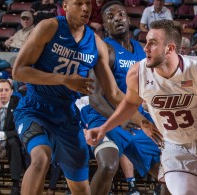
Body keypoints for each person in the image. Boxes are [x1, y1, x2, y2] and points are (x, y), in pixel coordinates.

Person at [85, 19, 197, 195]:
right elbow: (129, 104)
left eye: (153, 44)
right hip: (174, 143)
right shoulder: (137, 73)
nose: (145, 49)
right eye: (146, 42)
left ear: (170, 48)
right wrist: (104, 128)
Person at [11, 0, 124, 194]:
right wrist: (64, 80)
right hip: (35, 107)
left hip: (67, 115)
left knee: (81, 188)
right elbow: (18, 71)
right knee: (41, 157)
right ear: (65, 5)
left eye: (88, 3)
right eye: (79, 3)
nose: (85, 8)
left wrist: (144, 112)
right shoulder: (49, 27)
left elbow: (113, 93)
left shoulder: (96, 43)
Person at [81, 1, 166, 194]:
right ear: (105, 26)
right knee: (109, 165)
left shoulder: (143, 51)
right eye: (110, 17)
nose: (117, 18)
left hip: (135, 118)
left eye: (120, 14)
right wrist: (120, 119)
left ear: (128, 19)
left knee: (168, 173)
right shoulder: (105, 50)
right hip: (103, 116)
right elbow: (94, 97)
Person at [0, 79, 22, 195]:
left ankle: (15, 185)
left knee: (13, 143)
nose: (3, 93)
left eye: (6, 90)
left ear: (12, 92)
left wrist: (0, 134)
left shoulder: (18, 104)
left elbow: (20, 130)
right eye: (0, 90)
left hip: (11, 142)